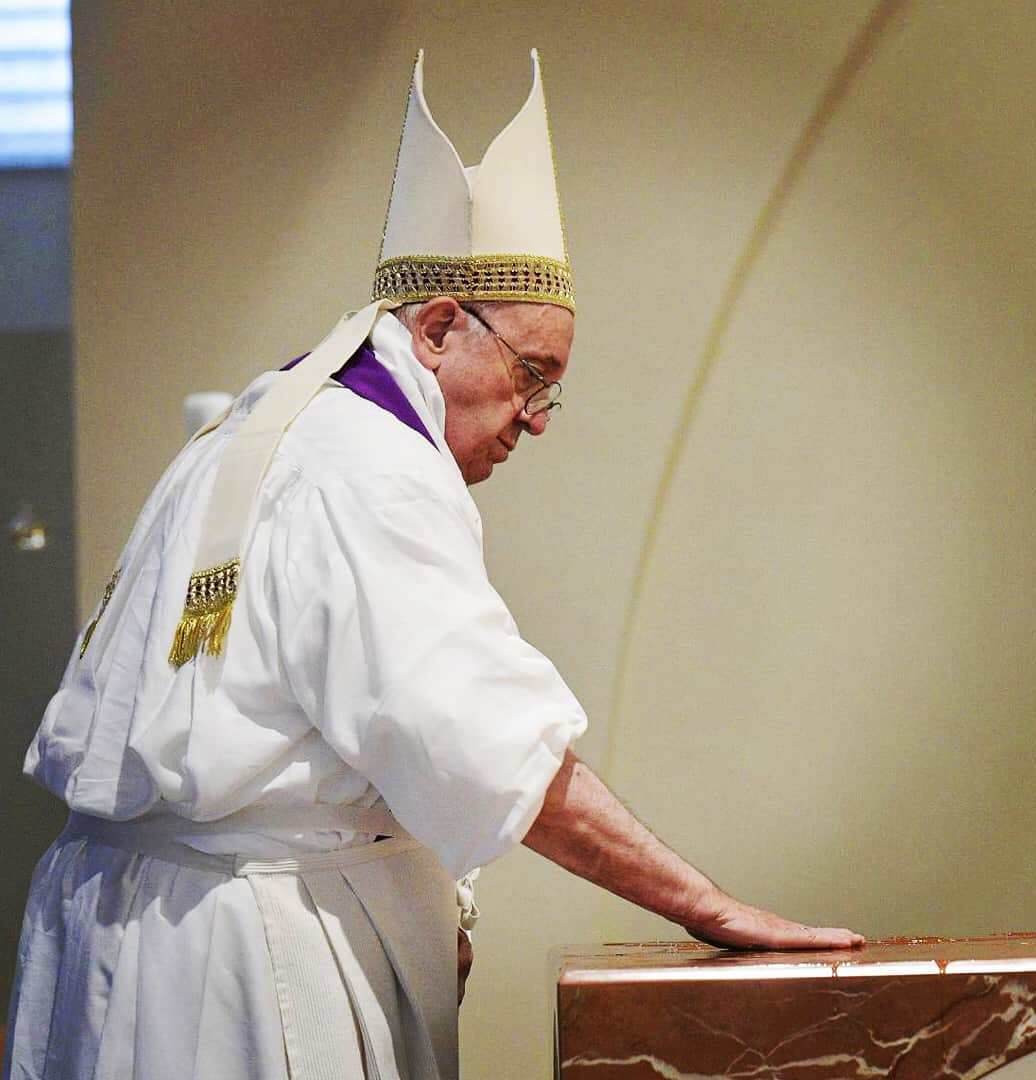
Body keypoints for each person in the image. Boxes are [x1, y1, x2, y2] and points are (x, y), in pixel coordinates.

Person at [3, 51, 861, 1080]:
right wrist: (709, 905)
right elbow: (487, 744)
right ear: (443, 326)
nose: (537, 421)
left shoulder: (265, 425)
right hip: (242, 964)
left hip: (128, 936)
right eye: (532, 377)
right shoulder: (369, 468)